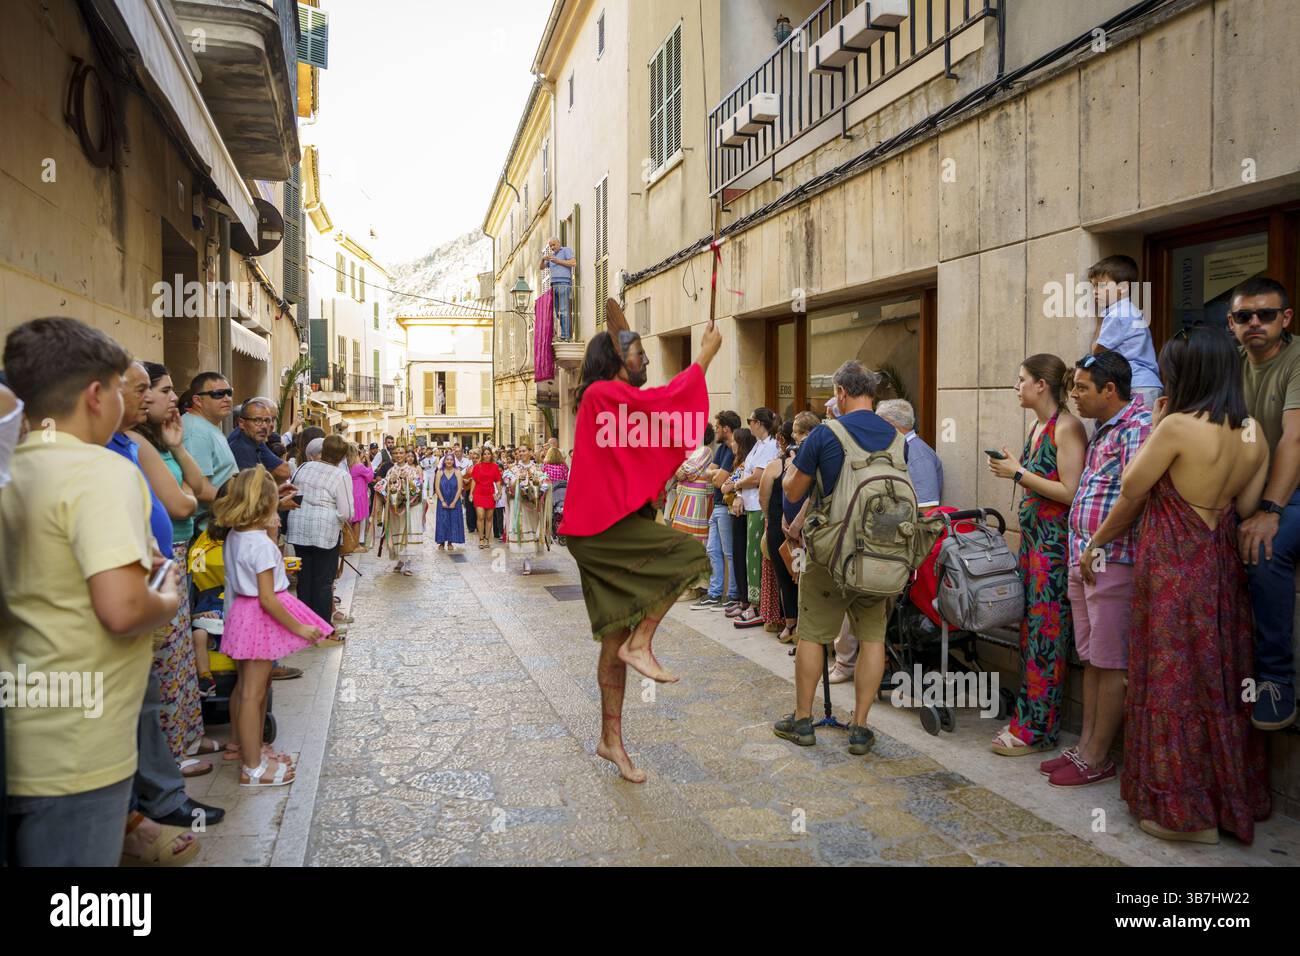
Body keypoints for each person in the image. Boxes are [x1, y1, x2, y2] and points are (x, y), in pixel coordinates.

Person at [0, 317, 189, 866]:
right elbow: (123, 607)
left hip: (23, 725)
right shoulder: (100, 471)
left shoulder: (13, 467)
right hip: (80, 740)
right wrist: (166, 591)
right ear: (95, 395)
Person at [1083, 327, 1270, 844]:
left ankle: (1182, 816)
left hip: (1171, 566)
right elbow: (1250, 506)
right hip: (1219, 564)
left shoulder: (1178, 425)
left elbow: (1130, 487)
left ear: (1184, 375)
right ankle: (1223, 803)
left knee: (1172, 681)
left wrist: (1161, 421)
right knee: (1217, 677)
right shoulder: (1253, 430)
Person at [558, 301, 720, 783]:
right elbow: (661, 402)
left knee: (613, 639)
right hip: (603, 529)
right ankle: (644, 641)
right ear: (616, 362)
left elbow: (650, 403)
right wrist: (703, 358)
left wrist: (623, 327)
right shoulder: (601, 397)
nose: (646, 360)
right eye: (638, 354)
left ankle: (612, 740)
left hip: (608, 527)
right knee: (690, 555)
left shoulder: (611, 400)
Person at [774, 362, 902, 755]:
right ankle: (860, 727)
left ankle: (802, 720)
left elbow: (792, 490)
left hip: (831, 555)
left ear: (842, 394)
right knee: (872, 638)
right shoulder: (897, 437)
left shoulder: (827, 434)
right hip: (881, 555)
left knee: (813, 635)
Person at [1040, 351, 1151, 788]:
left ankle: (1098, 756)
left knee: (1110, 661)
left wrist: (1100, 543)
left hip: (1113, 559)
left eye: (1082, 388)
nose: (1074, 395)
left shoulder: (1137, 428)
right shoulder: (1104, 427)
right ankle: (1085, 746)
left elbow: (1135, 496)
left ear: (1110, 390)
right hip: (1084, 558)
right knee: (1091, 660)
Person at [987, 354, 1086, 755]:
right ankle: (1028, 720)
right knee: (1031, 635)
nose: (1016, 385)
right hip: (1032, 546)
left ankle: (1037, 730)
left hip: (1053, 550)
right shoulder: (1036, 426)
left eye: (1022, 378)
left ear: (1042, 385)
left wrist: (1017, 473)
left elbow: (1070, 490)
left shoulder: (1068, 428)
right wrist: (1018, 468)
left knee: (1047, 636)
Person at [213, 467, 333, 787]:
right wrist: (300, 627)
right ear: (266, 507)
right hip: (258, 618)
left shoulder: (236, 536)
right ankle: (252, 766)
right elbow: (268, 598)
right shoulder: (261, 545)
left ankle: (250, 751)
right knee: (255, 692)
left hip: (241, 614)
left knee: (249, 688)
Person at [129, 362, 220, 772]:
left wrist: (179, 448)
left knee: (180, 652)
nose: (169, 398)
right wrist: (187, 486)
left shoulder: (162, 442)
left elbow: (200, 488)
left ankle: (186, 737)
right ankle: (173, 753)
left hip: (180, 552)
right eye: (159, 390)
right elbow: (185, 503)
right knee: (168, 654)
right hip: (166, 554)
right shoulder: (134, 441)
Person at [1231, 276, 1299, 730]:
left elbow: (1294, 439)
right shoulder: (1231, 363)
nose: (1255, 323)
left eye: (1266, 314)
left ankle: (1276, 679)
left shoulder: (1297, 359)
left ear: (1285, 319)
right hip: (1252, 484)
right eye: (1244, 316)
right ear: (1231, 323)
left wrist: (1270, 511)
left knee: (1265, 552)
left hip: (1292, 487)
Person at [288, 435, 354, 624]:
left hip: (299, 527)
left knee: (305, 578)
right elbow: (346, 511)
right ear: (342, 456)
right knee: (323, 581)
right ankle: (322, 626)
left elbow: (293, 492)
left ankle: (304, 622)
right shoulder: (340, 475)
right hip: (325, 531)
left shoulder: (303, 467)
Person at [1089, 255, 1162, 409]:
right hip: (1147, 384)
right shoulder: (1129, 310)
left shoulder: (1117, 314)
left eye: (1101, 286)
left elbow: (1097, 351)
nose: (1095, 291)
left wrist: (1100, 318)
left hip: (1136, 386)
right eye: (1093, 286)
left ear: (1123, 287)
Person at [693, 411, 742, 611]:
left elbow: (720, 480)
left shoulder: (732, 449)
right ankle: (714, 594)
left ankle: (731, 595)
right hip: (717, 505)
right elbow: (708, 474)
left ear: (726, 429)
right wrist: (715, 473)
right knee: (713, 550)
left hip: (726, 506)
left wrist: (715, 474)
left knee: (728, 553)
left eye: (718, 427)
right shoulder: (722, 448)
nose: (716, 430)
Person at [760, 421, 797, 643]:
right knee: (800, 576)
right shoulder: (804, 462)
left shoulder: (775, 466)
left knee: (784, 576)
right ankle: (801, 623)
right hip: (799, 527)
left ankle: (790, 623)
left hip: (777, 525)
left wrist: (769, 518)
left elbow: (764, 497)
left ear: (781, 439)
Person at [181, 371, 238, 513]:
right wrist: (243, 503)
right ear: (197, 401)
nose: (227, 399)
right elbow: (200, 489)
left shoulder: (207, 425)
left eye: (229, 393)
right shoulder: (196, 432)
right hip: (206, 528)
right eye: (218, 394)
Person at [877, 399, 943, 508]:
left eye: (878, 424)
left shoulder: (918, 455)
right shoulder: (907, 449)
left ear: (890, 424)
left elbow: (927, 507)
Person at [720, 428, 757, 625]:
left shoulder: (744, 466)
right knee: (738, 556)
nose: (731, 444)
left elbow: (725, 485)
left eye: (735, 442)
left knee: (742, 557)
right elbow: (725, 485)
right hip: (736, 514)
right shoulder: (739, 465)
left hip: (742, 515)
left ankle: (745, 601)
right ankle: (742, 600)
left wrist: (734, 486)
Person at [503, 445, 552, 574]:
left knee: (531, 529)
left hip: (532, 505)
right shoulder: (512, 469)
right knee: (522, 528)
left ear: (530, 453)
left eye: (524, 451)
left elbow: (545, 482)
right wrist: (517, 482)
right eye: (519, 451)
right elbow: (508, 485)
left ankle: (529, 558)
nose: (521, 453)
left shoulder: (537, 468)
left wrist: (538, 488)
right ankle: (526, 562)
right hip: (518, 504)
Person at [667, 423, 715, 550]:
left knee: (692, 544)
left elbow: (687, 472)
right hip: (685, 500)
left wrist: (678, 467)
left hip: (694, 504)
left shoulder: (705, 450)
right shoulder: (692, 451)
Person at [381, 446, 423, 574]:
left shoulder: (412, 470)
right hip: (395, 509)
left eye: (401, 452)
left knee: (407, 533)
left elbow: (417, 488)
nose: (398, 455)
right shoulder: (390, 471)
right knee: (397, 532)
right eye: (395, 453)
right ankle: (400, 560)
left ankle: (408, 564)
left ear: (405, 454)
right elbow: (384, 488)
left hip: (409, 508)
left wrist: (407, 481)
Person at [228, 397, 291, 481]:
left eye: (268, 420)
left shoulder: (254, 440)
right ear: (242, 423)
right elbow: (249, 489)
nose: (265, 426)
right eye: (257, 420)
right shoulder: (242, 445)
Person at [541, 238, 577, 341]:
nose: (552, 247)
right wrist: (543, 259)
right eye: (550, 246)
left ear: (558, 243)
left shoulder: (566, 250)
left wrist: (558, 261)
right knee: (557, 312)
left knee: (564, 311)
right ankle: (564, 334)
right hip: (554, 285)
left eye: (553, 245)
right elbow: (541, 268)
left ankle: (566, 336)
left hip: (564, 283)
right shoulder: (552, 256)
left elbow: (573, 263)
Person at [433, 450, 466, 551]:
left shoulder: (457, 472)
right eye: (447, 459)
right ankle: (441, 542)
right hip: (442, 500)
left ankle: (450, 542)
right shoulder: (439, 472)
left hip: (454, 500)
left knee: (453, 520)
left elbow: (460, 488)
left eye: (451, 460)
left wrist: (454, 502)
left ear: (454, 461)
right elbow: (437, 487)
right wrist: (442, 500)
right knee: (442, 520)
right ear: (444, 461)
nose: (449, 461)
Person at [470, 447, 502, 549]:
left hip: (490, 493)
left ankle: (487, 539)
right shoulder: (477, 467)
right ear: (482, 455)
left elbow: (497, 480)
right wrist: (471, 493)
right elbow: (474, 480)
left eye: (488, 453)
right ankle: (481, 538)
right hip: (479, 493)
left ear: (491, 455)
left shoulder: (495, 467)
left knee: (489, 517)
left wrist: (499, 491)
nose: (487, 455)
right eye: (485, 454)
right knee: (480, 516)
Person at [348, 442, 374, 549]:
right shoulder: (358, 466)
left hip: (351, 492)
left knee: (352, 519)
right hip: (359, 494)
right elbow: (370, 476)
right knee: (358, 520)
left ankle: (351, 542)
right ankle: (356, 544)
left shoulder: (348, 465)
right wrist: (368, 460)